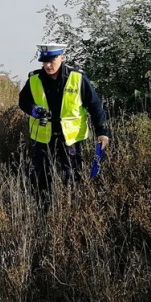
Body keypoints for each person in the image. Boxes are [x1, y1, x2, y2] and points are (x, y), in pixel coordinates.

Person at [18, 43, 111, 200]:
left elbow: (95, 105)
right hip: (42, 138)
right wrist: (35, 110)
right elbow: (23, 102)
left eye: (52, 60)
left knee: (72, 176)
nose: (48, 65)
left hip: (70, 139)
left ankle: (70, 209)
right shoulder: (34, 79)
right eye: (44, 61)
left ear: (62, 57)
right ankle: (44, 209)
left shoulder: (77, 78)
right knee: (40, 178)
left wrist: (102, 132)